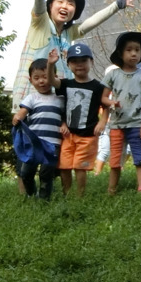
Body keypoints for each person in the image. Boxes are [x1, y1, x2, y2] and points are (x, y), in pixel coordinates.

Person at [11, 0, 136, 112]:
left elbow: (89, 24)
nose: (65, 6)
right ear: (50, 6)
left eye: (70, 4)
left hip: (57, 100)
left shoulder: (67, 34)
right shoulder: (40, 24)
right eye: (60, 2)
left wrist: (116, 5)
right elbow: (39, 5)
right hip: (31, 100)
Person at [48, 43, 106, 196]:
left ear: (91, 62)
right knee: (64, 166)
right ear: (68, 65)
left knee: (80, 167)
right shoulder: (66, 84)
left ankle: (80, 196)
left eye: (83, 60)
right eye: (74, 61)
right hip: (68, 135)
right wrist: (50, 64)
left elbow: (106, 106)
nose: (79, 65)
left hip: (87, 135)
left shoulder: (98, 87)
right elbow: (52, 81)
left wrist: (102, 122)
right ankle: (66, 194)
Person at [101, 32, 141, 194]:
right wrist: (111, 102)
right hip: (117, 124)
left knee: (140, 159)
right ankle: (111, 190)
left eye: (137, 50)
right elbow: (103, 97)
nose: (133, 53)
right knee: (115, 159)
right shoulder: (113, 75)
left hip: (137, 124)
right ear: (120, 53)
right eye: (129, 50)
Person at [12, 51, 64, 199]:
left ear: (54, 77)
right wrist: (17, 117)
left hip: (53, 143)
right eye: (37, 78)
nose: (41, 81)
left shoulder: (59, 98)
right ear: (31, 80)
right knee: (26, 172)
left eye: (45, 77)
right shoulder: (32, 98)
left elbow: (65, 116)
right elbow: (23, 111)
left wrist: (65, 124)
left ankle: (44, 199)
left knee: (46, 174)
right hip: (34, 143)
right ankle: (31, 194)